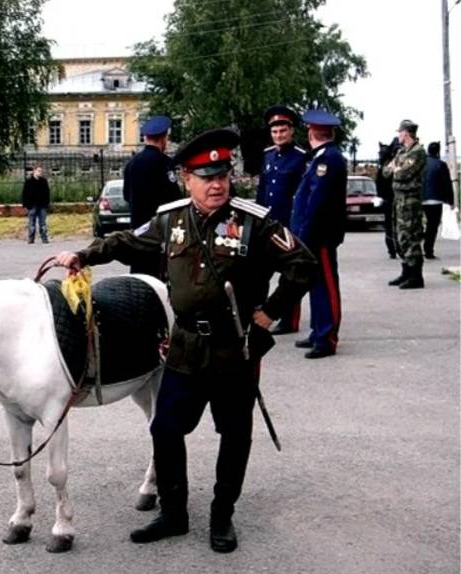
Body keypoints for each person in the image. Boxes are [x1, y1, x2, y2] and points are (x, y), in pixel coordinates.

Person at [54, 128, 316, 553]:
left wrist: (268, 314)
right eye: (205, 177)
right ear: (187, 181)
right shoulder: (170, 218)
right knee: (165, 428)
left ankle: (222, 514)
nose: (216, 184)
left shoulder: (254, 220)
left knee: (234, 434)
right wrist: (86, 254)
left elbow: (301, 265)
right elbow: (127, 240)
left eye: (222, 175)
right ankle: (174, 513)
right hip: (184, 346)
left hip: (234, 349)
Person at [290, 109, 348, 359]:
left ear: (312, 132)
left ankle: (327, 337)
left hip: (320, 235)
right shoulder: (321, 157)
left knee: (326, 286)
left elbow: (317, 202)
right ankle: (318, 331)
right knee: (316, 285)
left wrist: (304, 233)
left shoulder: (329, 159)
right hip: (315, 233)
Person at [256, 105, 307, 334]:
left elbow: (303, 195)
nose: (278, 136)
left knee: (290, 273)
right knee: (260, 273)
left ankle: (289, 319)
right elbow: (262, 190)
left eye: (282, 131)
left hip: (287, 225)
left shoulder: (300, 158)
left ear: (291, 131)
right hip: (267, 224)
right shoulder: (268, 156)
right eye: (275, 132)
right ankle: (258, 312)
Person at [122, 115, 183, 276]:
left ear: (146, 138)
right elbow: (175, 200)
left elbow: (127, 196)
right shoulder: (165, 163)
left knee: (140, 279)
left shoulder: (131, 164)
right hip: (159, 234)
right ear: (164, 138)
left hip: (137, 233)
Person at [383, 119, 427, 289]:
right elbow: (387, 172)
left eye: (400, 132)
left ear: (406, 133)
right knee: (400, 236)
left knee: (410, 236)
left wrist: (396, 169)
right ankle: (406, 272)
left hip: (410, 200)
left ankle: (416, 276)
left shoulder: (417, 152)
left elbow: (404, 174)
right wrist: (395, 168)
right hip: (398, 199)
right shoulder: (402, 152)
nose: (398, 135)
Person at [422, 141, 455, 259]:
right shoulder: (440, 165)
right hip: (435, 200)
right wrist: (450, 201)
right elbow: (446, 184)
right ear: (438, 151)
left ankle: (421, 239)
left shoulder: (421, 164)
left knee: (420, 225)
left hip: (420, 199)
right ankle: (428, 250)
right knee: (432, 226)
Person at [376, 138, 400, 259]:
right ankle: (397, 248)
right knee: (396, 225)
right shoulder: (394, 168)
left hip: (387, 200)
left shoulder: (382, 170)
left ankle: (392, 249)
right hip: (395, 199)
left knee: (389, 226)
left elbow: (378, 188)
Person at [22, 165, 50, 243]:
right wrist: (26, 205)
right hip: (32, 205)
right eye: (38, 171)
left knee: (43, 223)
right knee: (31, 223)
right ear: (34, 171)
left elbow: (47, 193)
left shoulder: (43, 181)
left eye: (41, 171)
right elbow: (25, 194)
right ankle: (31, 238)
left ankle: (44, 238)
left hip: (42, 205)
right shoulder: (29, 182)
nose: (40, 173)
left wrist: (46, 204)